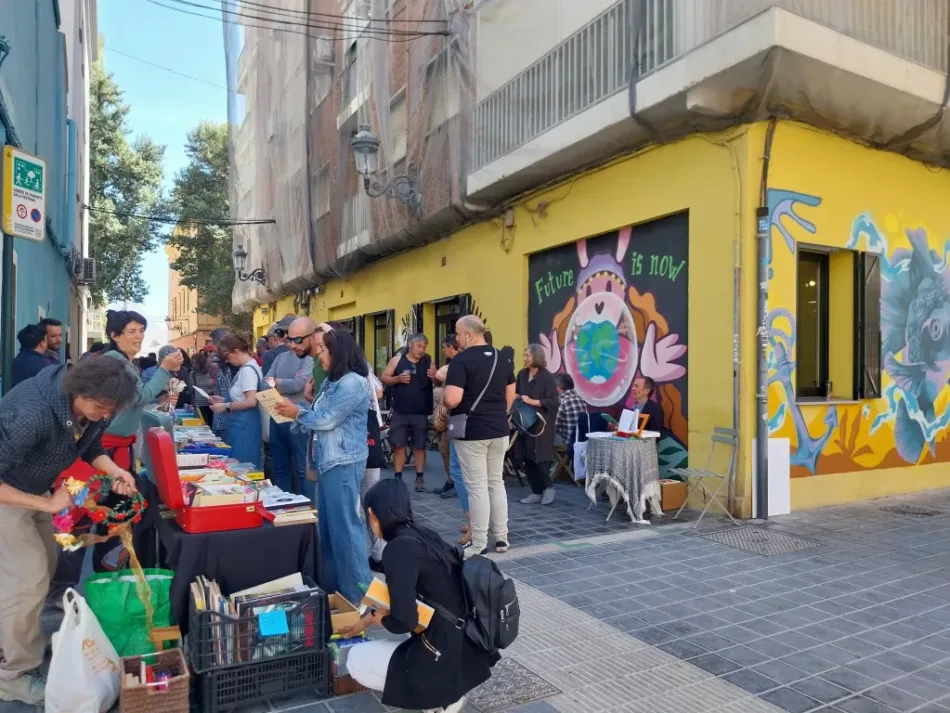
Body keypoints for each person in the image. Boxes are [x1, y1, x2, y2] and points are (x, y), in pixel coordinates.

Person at [0, 357, 139, 704]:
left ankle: (21, 642)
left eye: (111, 410)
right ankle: (13, 675)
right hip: (11, 495)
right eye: (102, 407)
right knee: (26, 580)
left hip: (37, 488)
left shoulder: (88, 407)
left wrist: (114, 472)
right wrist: (48, 505)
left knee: (45, 568)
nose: (105, 416)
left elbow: (91, 446)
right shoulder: (30, 412)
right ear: (79, 392)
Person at [344, 479, 497, 713]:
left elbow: (405, 620)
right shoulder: (425, 536)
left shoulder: (397, 550)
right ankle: (447, 692)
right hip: (467, 647)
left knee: (355, 659)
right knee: (403, 642)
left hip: (441, 653)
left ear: (373, 515)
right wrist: (371, 615)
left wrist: (379, 619)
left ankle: (438, 700)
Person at [275, 323, 371, 604]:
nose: (319, 356)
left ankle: (358, 593)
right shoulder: (332, 382)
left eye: (324, 350)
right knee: (328, 529)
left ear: (338, 352)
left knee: (346, 528)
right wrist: (293, 410)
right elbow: (320, 414)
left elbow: (328, 419)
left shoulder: (353, 382)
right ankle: (334, 589)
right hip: (329, 462)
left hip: (343, 462)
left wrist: (297, 413)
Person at [443, 316, 515, 556]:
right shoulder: (502, 358)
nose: (456, 338)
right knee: (496, 483)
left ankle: (479, 542)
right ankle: (502, 538)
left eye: (458, 333)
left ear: (469, 335)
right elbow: (510, 396)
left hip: (472, 431)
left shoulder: (461, 361)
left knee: (476, 487)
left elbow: (453, 399)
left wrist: (445, 403)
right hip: (498, 430)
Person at [101, 311, 183, 471]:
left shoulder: (123, 361)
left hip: (118, 443)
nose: (139, 336)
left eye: (141, 330)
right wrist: (165, 368)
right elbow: (140, 396)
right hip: (109, 446)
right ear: (115, 336)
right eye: (132, 331)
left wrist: (160, 400)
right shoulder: (115, 361)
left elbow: (131, 400)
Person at [265, 320, 314, 498]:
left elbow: (299, 384)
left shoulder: (308, 359)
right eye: (290, 338)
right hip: (277, 415)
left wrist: (277, 383)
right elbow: (266, 381)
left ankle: (308, 510)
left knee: (302, 468)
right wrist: (277, 383)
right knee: (280, 468)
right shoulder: (280, 358)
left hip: (298, 416)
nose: (292, 343)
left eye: (297, 339)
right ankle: (282, 504)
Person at [381, 333, 434, 492]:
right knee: (399, 445)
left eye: (424, 347)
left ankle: (419, 477)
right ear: (410, 345)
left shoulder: (428, 360)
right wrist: (397, 379)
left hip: (420, 411)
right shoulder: (398, 360)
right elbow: (383, 377)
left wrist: (435, 377)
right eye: (419, 346)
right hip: (400, 411)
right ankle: (398, 477)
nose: (422, 350)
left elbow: (438, 380)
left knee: (420, 446)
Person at [209, 332, 264, 468]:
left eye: (227, 356)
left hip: (244, 427)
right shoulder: (248, 367)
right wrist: (222, 400)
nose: (227, 361)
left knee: (243, 467)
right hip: (243, 425)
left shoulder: (247, 371)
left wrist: (225, 406)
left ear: (237, 351)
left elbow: (251, 401)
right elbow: (242, 396)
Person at [515, 344, 559, 506]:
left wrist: (532, 401)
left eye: (528, 355)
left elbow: (553, 401)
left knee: (541, 458)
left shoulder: (547, 377)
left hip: (543, 424)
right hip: (526, 422)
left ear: (537, 357)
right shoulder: (521, 374)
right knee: (528, 457)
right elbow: (518, 395)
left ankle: (548, 488)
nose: (525, 358)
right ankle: (535, 491)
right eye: (524, 355)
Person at [430, 334, 460, 497]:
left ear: (451, 347)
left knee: (453, 450)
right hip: (447, 415)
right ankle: (451, 480)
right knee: (444, 448)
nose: (443, 350)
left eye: (444, 347)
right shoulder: (452, 364)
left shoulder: (460, 363)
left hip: (457, 416)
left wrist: (437, 375)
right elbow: (442, 382)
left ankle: (457, 483)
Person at [554, 373, 587, 448]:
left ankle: (554, 460)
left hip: (568, 442)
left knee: (542, 436)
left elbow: (554, 426)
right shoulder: (581, 399)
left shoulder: (562, 401)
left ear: (558, 387)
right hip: (581, 440)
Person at [191, 349, 216, 425]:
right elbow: (192, 389)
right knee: (200, 424)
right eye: (192, 362)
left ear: (201, 362)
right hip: (198, 404)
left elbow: (218, 386)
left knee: (211, 424)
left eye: (195, 363)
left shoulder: (212, 370)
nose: (193, 365)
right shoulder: (193, 373)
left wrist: (211, 390)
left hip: (211, 403)